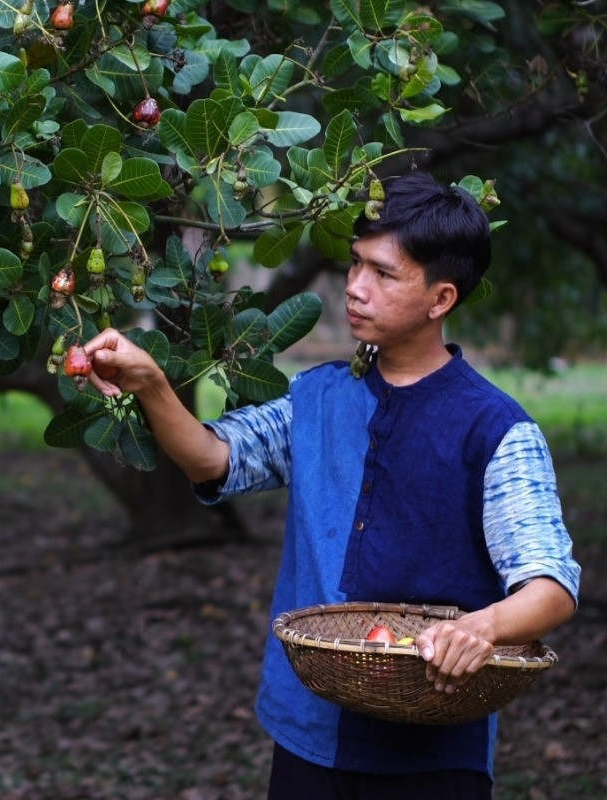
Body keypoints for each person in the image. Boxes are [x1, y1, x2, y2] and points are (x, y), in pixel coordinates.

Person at [82, 171, 581, 799]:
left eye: (383, 273)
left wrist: (481, 629)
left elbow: (551, 586)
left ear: (441, 298)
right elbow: (213, 458)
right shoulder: (316, 397)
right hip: (308, 734)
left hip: (435, 754)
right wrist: (152, 383)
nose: (354, 288)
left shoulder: (497, 429)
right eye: (353, 265)